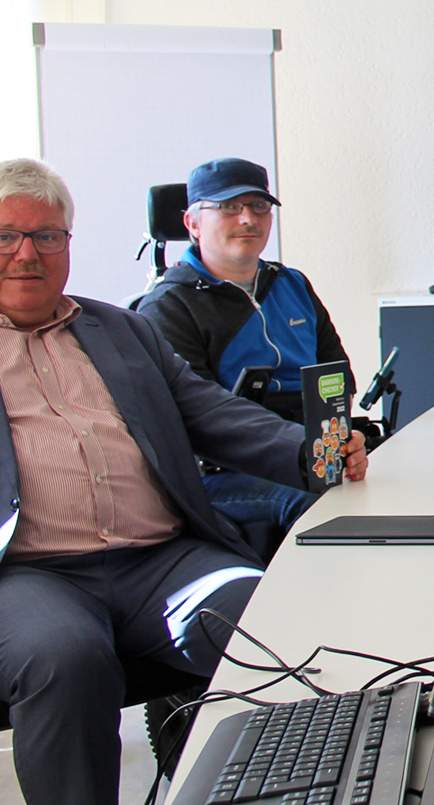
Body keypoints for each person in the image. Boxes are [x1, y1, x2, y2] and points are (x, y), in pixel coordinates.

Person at [0, 158, 367, 805]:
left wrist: (307, 452)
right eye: (3, 237)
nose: (28, 253)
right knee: (65, 657)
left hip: (161, 564)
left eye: (48, 237)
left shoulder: (122, 330)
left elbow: (210, 413)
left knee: (272, 622)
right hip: (20, 579)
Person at [136, 157, 352, 555]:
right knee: (321, 510)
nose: (248, 219)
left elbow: (336, 377)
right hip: (223, 471)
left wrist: (342, 444)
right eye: (229, 208)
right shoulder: (168, 306)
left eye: (259, 207)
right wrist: (300, 453)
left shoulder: (293, 284)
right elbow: (197, 421)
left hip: (312, 448)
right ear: (192, 223)